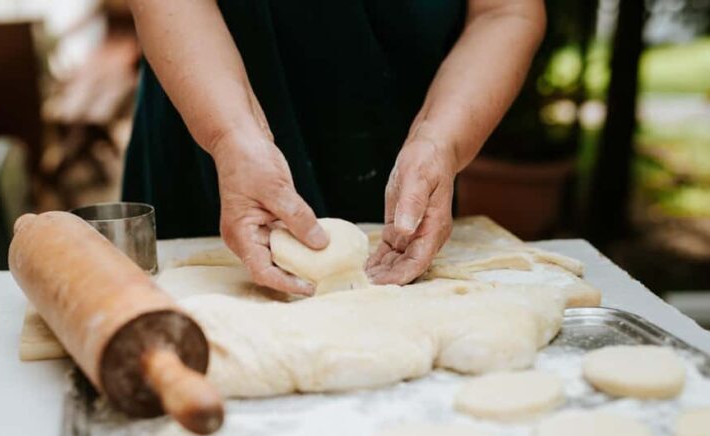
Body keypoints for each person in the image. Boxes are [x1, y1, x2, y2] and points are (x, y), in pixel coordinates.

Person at [124, 0, 545, 295]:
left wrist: (439, 141)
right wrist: (229, 135)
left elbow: (506, 10)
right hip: (208, 105)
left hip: (402, 125)